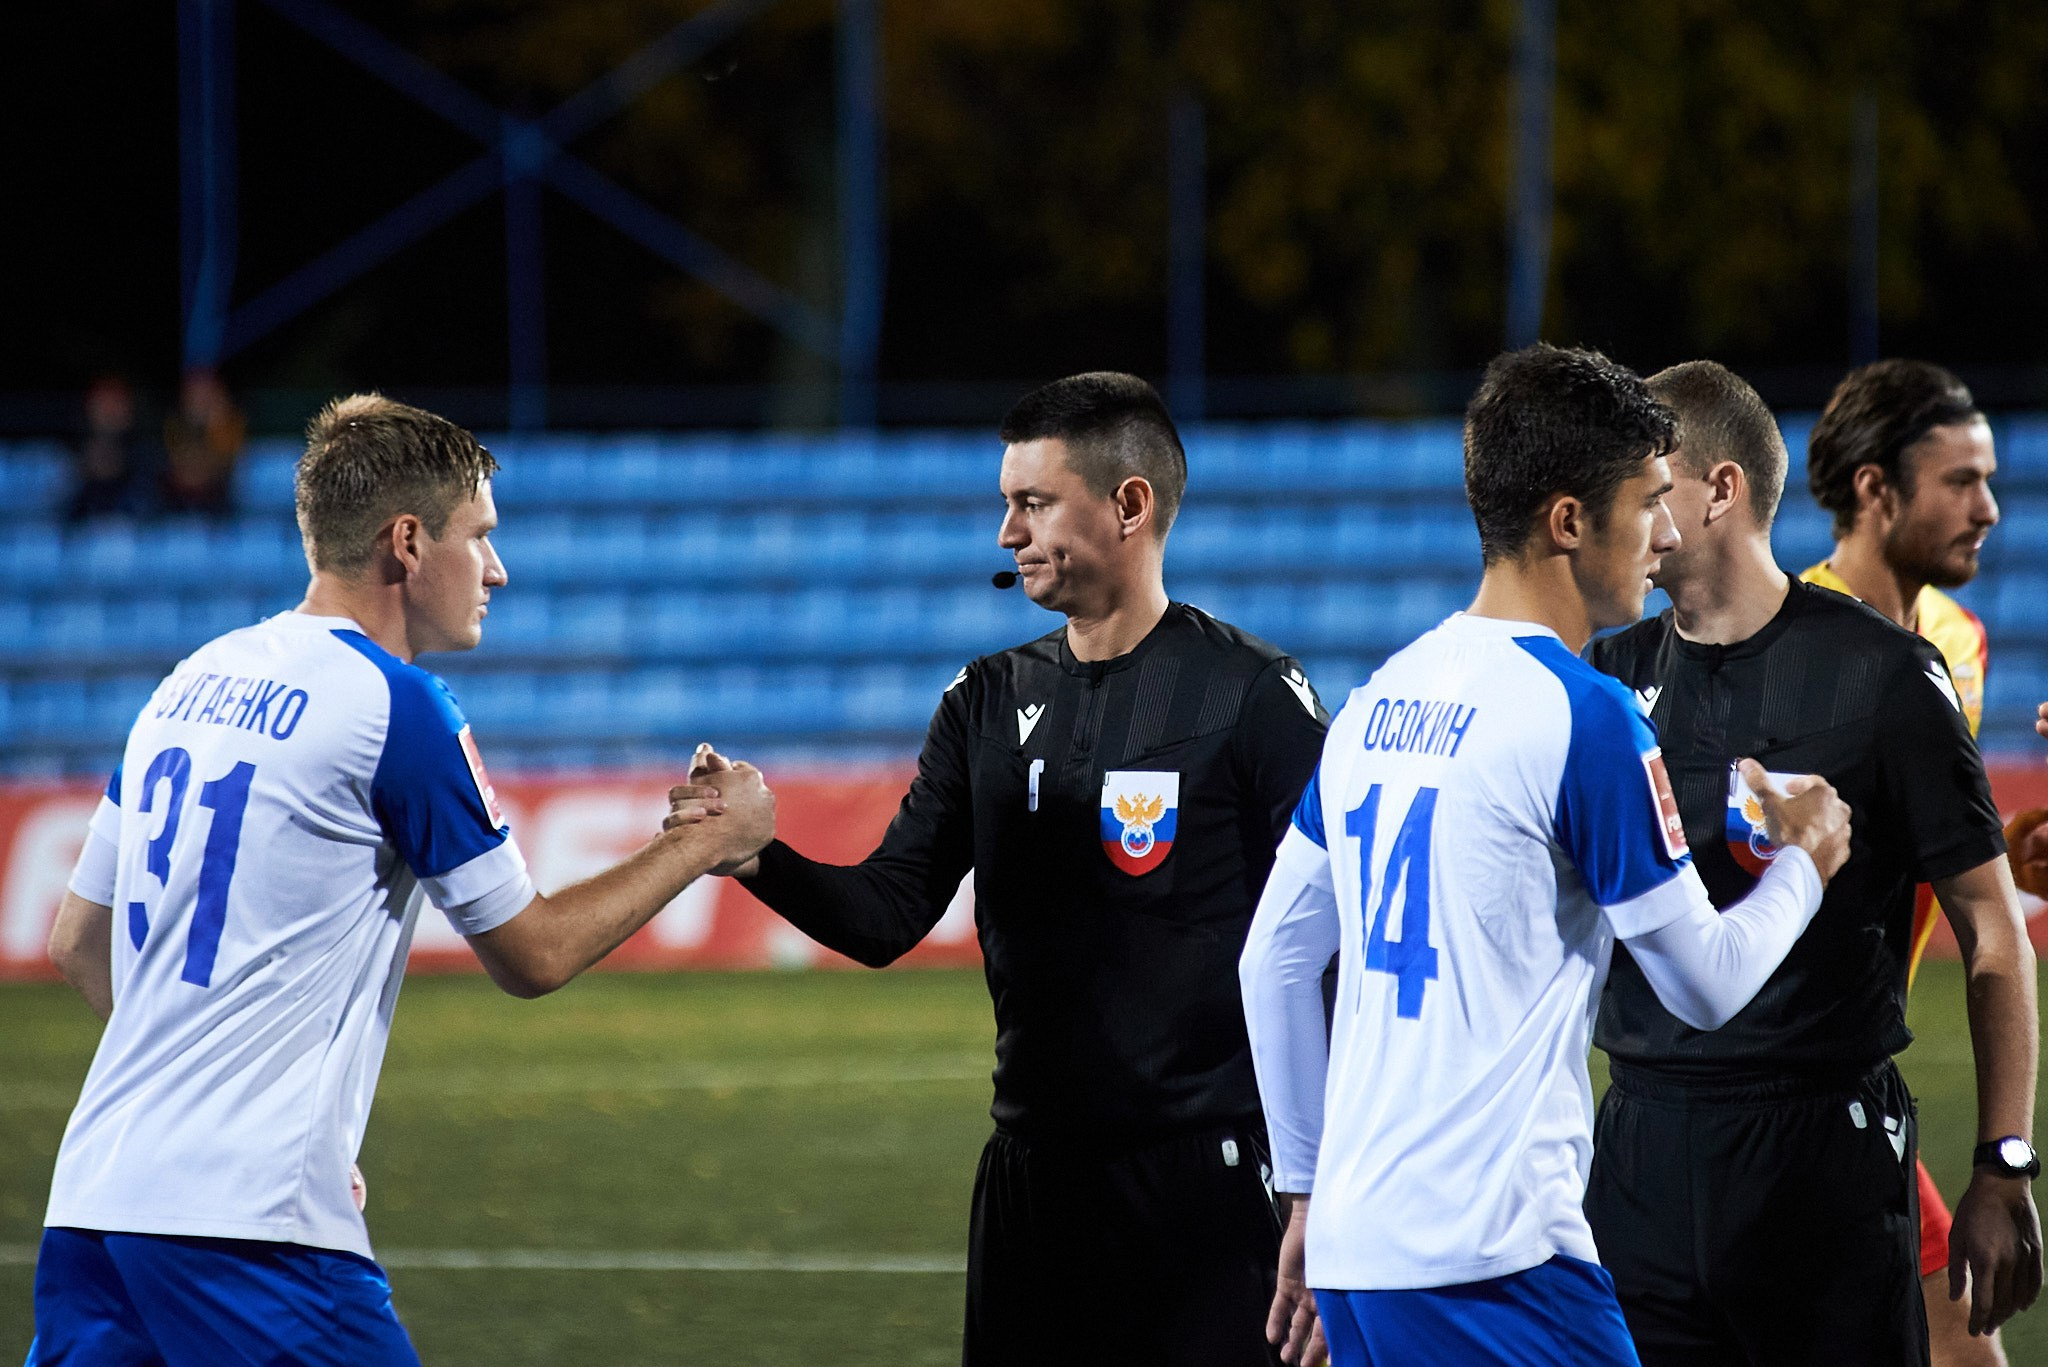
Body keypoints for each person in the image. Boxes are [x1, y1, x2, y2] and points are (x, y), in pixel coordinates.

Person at [27, 394, 775, 1367]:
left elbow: (77, 943)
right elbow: (533, 952)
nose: (497, 569)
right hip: (248, 1226)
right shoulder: (395, 705)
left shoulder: (191, 680)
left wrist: (209, 1094)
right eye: (480, 537)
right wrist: (707, 841)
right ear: (408, 541)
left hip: (92, 1206)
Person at [1239, 343, 1852, 1367]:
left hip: (1357, 1251)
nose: (1662, 534)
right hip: (1494, 1258)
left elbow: (1273, 961)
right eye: (1646, 499)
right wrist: (1805, 860)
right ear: (1569, 520)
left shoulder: (1376, 697)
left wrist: (1303, 1190)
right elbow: (1701, 983)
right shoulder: (1585, 716)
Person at [699, 371, 1330, 1367]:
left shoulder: (1250, 696)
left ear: (1128, 504)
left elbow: (1331, 945)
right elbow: (887, 912)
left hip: (1205, 1179)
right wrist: (756, 856)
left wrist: (1321, 1175)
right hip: (1027, 1182)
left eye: (1032, 502)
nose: (1006, 532)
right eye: (1007, 504)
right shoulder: (983, 701)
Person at [1582, 359, 2040, 1365]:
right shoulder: (1605, 680)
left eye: (1648, 486)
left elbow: (1994, 927)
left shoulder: (1880, 672)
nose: (1633, 517)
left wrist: (2002, 1164)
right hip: (1637, 1149)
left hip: (1818, 1154)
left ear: (1718, 490)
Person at [1802, 357, 2034, 1366]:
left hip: (1859, 1082)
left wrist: (2013, 861)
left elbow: (1926, 846)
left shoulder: (1956, 640)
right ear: (1872, 487)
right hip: (1775, 1094)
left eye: (1986, 479)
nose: (1986, 507)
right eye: (1959, 481)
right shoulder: (1780, 640)